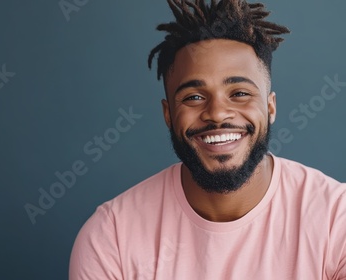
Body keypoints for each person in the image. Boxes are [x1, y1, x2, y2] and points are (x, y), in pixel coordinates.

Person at [69, 0, 346, 279]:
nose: (216, 114)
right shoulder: (110, 238)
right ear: (169, 114)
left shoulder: (337, 220)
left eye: (239, 93)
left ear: (270, 106)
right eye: (194, 97)